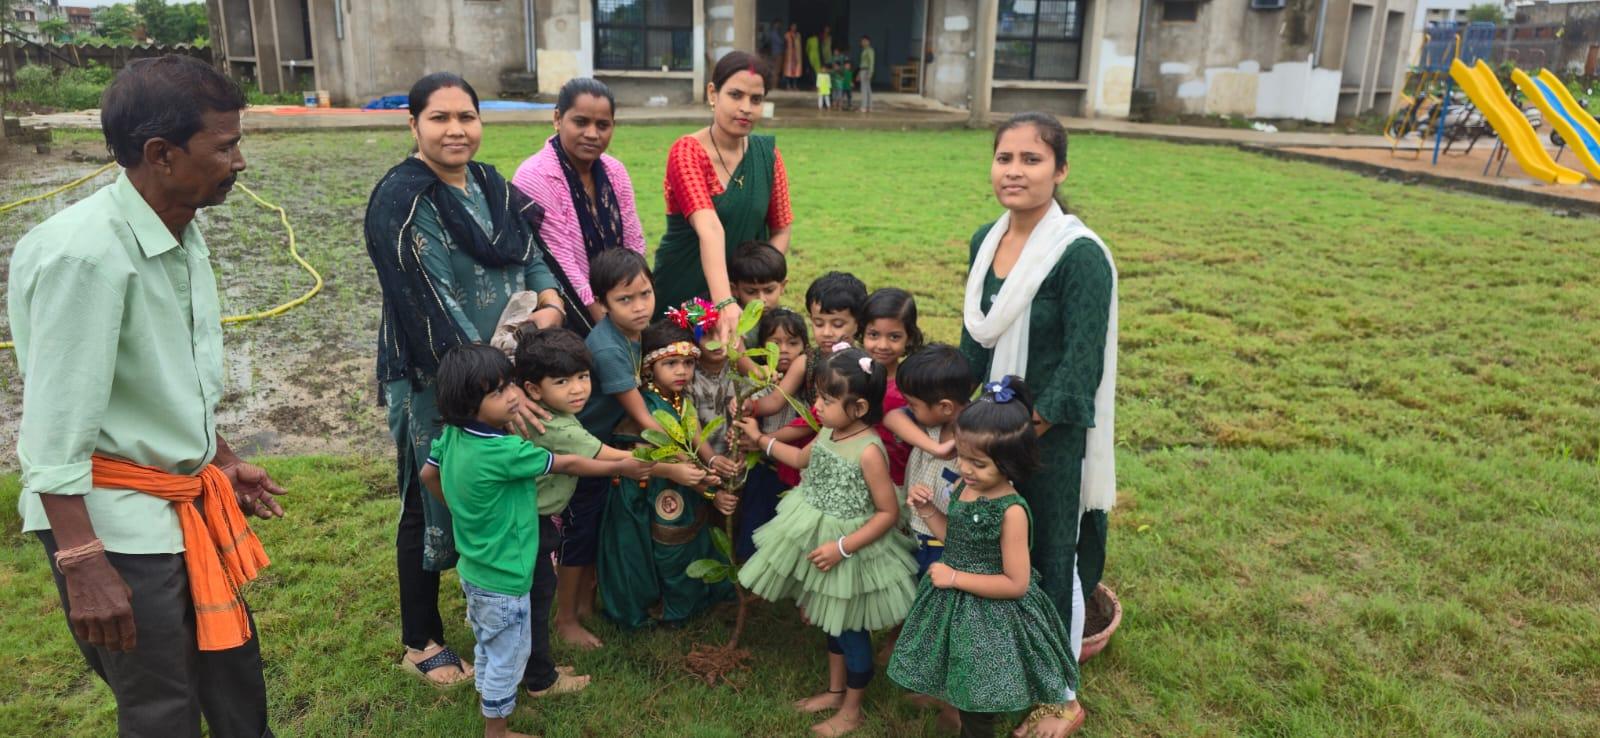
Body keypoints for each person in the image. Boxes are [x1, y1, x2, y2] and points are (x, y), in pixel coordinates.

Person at [8, 54, 283, 736]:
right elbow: (52, 430)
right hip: (117, 528)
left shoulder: (180, 229)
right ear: (161, 154)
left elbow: (167, 375)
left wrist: (217, 457)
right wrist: (82, 561)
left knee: (236, 687)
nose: (240, 162)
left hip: (182, 504)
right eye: (225, 146)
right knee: (162, 709)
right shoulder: (85, 256)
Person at [365, 71, 567, 687]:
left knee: (499, 485)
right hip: (437, 378)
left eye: (467, 116)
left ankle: (501, 607)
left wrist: (550, 304)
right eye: (440, 117)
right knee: (427, 492)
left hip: (507, 375)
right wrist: (492, 388)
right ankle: (421, 638)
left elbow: (530, 252)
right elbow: (434, 301)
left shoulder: (488, 184)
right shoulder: (403, 201)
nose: (456, 130)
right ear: (413, 124)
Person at [959, 112, 1118, 736]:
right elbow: (975, 342)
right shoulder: (986, 239)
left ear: (1061, 170)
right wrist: (949, 413)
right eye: (1005, 158)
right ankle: (996, 670)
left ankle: (1059, 695)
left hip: (1051, 438)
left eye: (1032, 159)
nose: (1015, 171)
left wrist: (1014, 438)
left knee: (1051, 555)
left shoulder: (1080, 256)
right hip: (993, 433)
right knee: (991, 550)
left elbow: (1080, 370)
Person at [420, 345, 639, 738]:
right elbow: (567, 463)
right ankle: (497, 731)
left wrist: (461, 510)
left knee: (489, 646)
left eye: (509, 385)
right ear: (469, 404)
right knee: (508, 655)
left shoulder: (453, 435)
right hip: (506, 576)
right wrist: (624, 464)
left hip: (476, 568)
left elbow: (428, 475)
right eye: (498, 392)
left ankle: (493, 698)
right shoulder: (504, 450)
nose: (512, 396)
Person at [736, 348, 919, 737]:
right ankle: (836, 692)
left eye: (826, 400)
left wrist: (843, 547)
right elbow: (801, 460)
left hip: (851, 549)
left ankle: (853, 709)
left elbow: (887, 513)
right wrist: (761, 440)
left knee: (850, 630)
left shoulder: (869, 451)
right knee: (831, 622)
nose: (816, 406)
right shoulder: (829, 430)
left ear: (859, 407)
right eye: (818, 397)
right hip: (818, 531)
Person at [889, 377, 1080, 738]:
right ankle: (952, 710)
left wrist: (954, 578)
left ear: (1010, 463)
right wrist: (928, 511)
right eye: (961, 456)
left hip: (991, 617)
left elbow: (1016, 583)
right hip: (957, 602)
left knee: (980, 699)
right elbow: (957, 538)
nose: (965, 468)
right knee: (955, 667)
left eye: (978, 463)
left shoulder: (1011, 512)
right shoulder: (966, 486)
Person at [509, 327, 654, 698]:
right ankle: (540, 679)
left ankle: (535, 664)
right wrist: (673, 463)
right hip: (527, 522)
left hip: (526, 518)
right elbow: (616, 459)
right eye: (562, 381)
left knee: (534, 594)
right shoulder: (557, 427)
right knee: (537, 598)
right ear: (533, 389)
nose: (578, 389)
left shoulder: (550, 410)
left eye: (583, 377)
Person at [558, 248, 666, 648]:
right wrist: (690, 450)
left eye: (645, 294)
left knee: (596, 526)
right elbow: (644, 418)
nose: (639, 307)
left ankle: (586, 604)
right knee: (580, 534)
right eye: (625, 299)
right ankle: (566, 618)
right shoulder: (607, 348)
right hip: (585, 451)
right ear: (602, 303)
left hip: (604, 443)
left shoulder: (633, 333)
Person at [597, 320, 734, 628]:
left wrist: (713, 462)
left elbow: (693, 434)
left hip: (680, 482)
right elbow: (639, 456)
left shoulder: (679, 398)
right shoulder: (647, 405)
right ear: (649, 368)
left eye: (688, 363)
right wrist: (703, 486)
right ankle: (670, 609)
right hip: (647, 488)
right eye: (671, 364)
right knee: (669, 547)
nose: (682, 371)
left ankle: (696, 598)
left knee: (690, 538)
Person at [655, 50, 794, 348]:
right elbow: (710, 228)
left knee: (752, 365)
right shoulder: (687, 152)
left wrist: (755, 284)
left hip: (743, 297)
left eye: (756, 99)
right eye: (735, 95)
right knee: (690, 360)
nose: (746, 108)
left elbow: (781, 228)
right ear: (712, 93)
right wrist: (725, 302)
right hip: (685, 294)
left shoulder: (768, 155)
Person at [512, 77, 647, 336]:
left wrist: (635, 301)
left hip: (621, 303)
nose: (592, 134)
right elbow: (562, 261)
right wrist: (607, 325)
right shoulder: (535, 176)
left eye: (603, 125)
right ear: (557, 119)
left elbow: (634, 242)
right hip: (565, 306)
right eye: (581, 122)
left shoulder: (615, 171)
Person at [734, 307, 811, 560]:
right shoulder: (754, 386)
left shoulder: (809, 388)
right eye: (775, 343)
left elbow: (809, 424)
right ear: (761, 347)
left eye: (792, 342)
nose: (784, 350)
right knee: (756, 522)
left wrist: (762, 440)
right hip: (762, 468)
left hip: (796, 470)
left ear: (805, 346)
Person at [861, 287, 923, 486]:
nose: (882, 345)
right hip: (854, 476)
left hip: (899, 480)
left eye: (894, 337)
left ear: (909, 337)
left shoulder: (913, 387)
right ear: (862, 332)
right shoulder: (851, 376)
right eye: (873, 335)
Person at [858, 36, 876, 113]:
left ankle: (864, 107)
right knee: (867, 89)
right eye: (862, 41)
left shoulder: (870, 50)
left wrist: (870, 72)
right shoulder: (864, 50)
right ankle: (869, 107)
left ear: (868, 42)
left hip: (866, 70)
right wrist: (859, 73)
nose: (862, 43)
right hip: (863, 70)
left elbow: (871, 62)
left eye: (864, 41)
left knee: (864, 89)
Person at [784, 23, 804, 89]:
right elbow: (785, 44)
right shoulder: (787, 35)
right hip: (789, 55)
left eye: (795, 26)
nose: (794, 28)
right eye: (793, 26)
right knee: (788, 70)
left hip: (797, 55)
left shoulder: (798, 35)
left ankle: (795, 85)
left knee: (796, 71)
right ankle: (788, 85)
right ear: (790, 27)